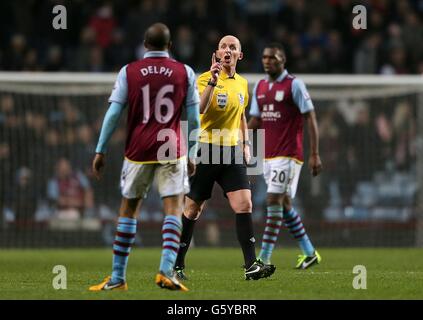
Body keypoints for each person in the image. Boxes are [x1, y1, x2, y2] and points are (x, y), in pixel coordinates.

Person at [89, 23, 200, 291]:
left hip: (138, 150)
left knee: (129, 210)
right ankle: (165, 271)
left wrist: (100, 149)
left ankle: (118, 277)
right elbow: (195, 119)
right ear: (170, 46)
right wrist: (193, 153)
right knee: (173, 209)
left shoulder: (129, 72)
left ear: (145, 44)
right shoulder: (185, 72)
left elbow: (114, 114)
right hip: (170, 148)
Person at [174, 35, 273, 281]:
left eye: (233, 47)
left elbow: (240, 115)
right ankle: (176, 265)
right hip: (206, 149)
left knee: (244, 204)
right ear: (217, 53)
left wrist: (246, 143)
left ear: (240, 55)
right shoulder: (205, 79)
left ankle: (251, 265)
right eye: (223, 47)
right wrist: (213, 81)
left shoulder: (241, 84)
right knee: (192, 209)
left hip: (231, 152)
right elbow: (200, 109)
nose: (227, 50)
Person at [248, 43, 323, 271]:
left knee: (272, 200)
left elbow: (310, 117)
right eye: (264, 57)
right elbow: (255, 121)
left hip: (289, 154)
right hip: (268, 156)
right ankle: (310, 253)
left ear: (283, 59)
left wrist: (315, 154)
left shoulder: (295, 85)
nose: (267, 60)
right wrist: (236, 137)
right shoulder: (259, 87)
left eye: (272, 57)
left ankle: (264, 258)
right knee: (285, 204)